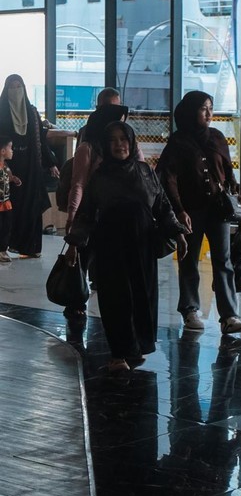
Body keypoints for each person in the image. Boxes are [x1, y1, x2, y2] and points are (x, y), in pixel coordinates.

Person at [65, 121, 188, 373]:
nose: (119, 144)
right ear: (105, 145)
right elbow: (87, 212)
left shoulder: (144, 172)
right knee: (115, 298)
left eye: (124, 139)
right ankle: (119, 353)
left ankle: (137, 347)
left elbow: (162, 206)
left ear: (131, 142)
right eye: (113, 140)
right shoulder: (100, 176)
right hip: (110, 246)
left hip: (142, 246)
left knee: (142, 296)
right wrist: (74, 244)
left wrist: (179, 234)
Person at [157, 90, 241, 335]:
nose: (209, 113)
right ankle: (190, 309)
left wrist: (240, 209)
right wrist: (179, 210)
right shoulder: (178, 142)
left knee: (223, 260)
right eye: (203, 108)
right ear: (190, 111)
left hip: (218, 209)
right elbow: (168, 178)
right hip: (190, 211)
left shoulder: (217, 138)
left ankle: (229, 315)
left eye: (211, 107)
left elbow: (229, 174)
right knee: (189, 260)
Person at [64, 96, 133, 323]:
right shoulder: (88, 148)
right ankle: (75, 303)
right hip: (90, 214)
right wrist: (73, 216)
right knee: (82, 258)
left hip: (117, 216)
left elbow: (141, 177)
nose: (121, 130)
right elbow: (79, 183)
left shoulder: (127, 147)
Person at [0, 74, 59, 257]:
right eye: (12, 87)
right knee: (10, 207)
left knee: (31, 206)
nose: (16, 91)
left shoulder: (31, 112)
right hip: (9, 166)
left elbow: (40, 140)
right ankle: (6, 245)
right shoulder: (1, 111)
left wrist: (50, 164)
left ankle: (30, 248)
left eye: (19, 87)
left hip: (31, 166)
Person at [0, 136, 22, 264]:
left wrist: (13, 179)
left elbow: (8, 176)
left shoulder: (6, 166)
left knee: (6, 227)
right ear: (3, 151)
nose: (12, 150)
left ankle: (3, 249)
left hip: (6, 203)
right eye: (10, 148)